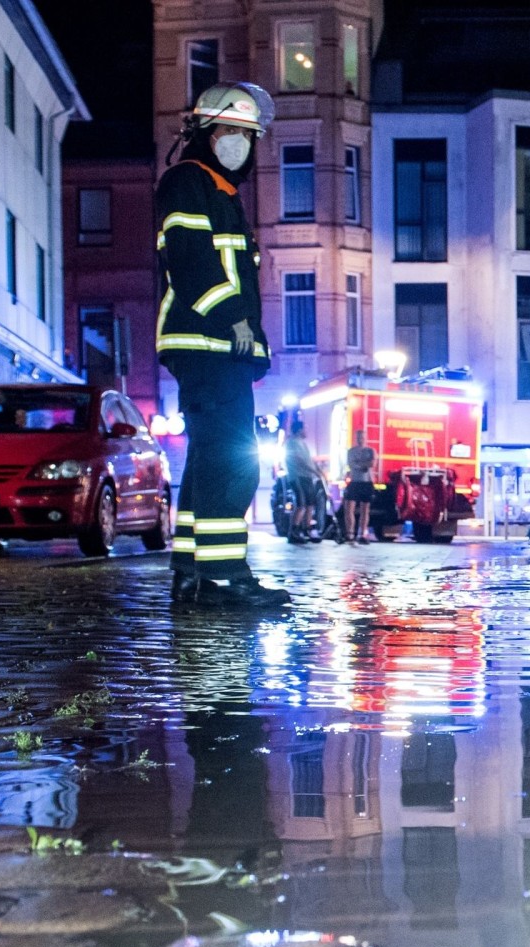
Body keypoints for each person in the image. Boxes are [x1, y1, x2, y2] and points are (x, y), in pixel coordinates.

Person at [157, 81, 289, 608]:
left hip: (216, 348)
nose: (241, 142)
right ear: (205, 134)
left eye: (247, 134)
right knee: (232, 460)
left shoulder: (219, 191)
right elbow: (191, 259)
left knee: (209, 456)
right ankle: (222, 576)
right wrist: (236, 322)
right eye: (231, 131)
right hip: (210, 342)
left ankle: (191, 570)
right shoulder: (190, 182)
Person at [284, 421, 325, 544]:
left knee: (310, 504)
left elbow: (309, 460)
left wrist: (317, 470)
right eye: (304, 428)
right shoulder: (291, 443)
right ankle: (294, 531)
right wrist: (312, 470)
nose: (306, 431)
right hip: (298, 476)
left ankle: (307, 529)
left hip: (307, 477)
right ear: (299, 430)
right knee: (301, 504)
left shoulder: (303, 444)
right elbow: (298, 460)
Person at [344, 429, 376, 544]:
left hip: (367, 482)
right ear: (355, 438)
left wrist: (359, 464)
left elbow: (372, 464)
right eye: (358, 437)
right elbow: (351, 464)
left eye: (362, 437)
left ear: (365, 438)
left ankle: (362, 534)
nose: (360, 439)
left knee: (365, 510)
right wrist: (363, 464)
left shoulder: (371, 451)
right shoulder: (351, 451)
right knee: (349, 509)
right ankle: (350, 534)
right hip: (354, 482)